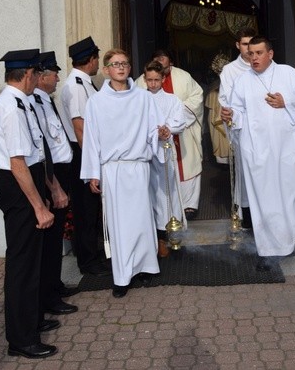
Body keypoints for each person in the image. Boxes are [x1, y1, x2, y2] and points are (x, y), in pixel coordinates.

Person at [0, 49, 62, 359]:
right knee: (22, 265)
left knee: (33, 260)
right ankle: (21, 339)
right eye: (36, 73)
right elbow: (17, 163)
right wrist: (39, 207)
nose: (39, 78)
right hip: (18, 185)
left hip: (27, 179)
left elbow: (35, 155)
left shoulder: (20, 101)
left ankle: (31, 322)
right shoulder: (12, 107)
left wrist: (52, 187)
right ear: (28, 74)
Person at [80, 49, 170, 298]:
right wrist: (93, 173)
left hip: (138, 166)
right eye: (115, 64)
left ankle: (145, 267)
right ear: (107, 69)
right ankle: (122, 276)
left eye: (125, 63)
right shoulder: (97, 102)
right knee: (119, 224)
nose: (120, 67)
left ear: (130, 69)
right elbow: (91, 141)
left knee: (142, 219)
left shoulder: (144, 98)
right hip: (113, 169)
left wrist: (160, 135)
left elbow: (155, 129)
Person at [220, 36, 295, 261]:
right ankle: (270, 247)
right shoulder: (243, 80)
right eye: (251, 53)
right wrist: (231, 115)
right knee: (264, 197)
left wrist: (287, 102)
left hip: (286, 148)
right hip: (256, 150)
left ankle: (288, 238)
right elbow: (237, 111)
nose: (253, 57)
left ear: (270, 54)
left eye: (258, 53)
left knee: (288, 192)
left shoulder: (288, 73)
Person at [29, 51, 80, 312]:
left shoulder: (46, 100)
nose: (58, 77)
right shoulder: (34, 103)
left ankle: (54, 285)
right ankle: (48, 296)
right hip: (51, 175)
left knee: (56, 235)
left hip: (59, 171)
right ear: (42, 76)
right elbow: (44, 146)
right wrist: (53, 185)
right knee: (49, 242)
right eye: (54, 73)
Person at [59, 36, 110, 277]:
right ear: (90, 60)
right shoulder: (76, 87)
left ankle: (92, 253)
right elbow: (80, 128)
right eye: (97, 58)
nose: (98, 62)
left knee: (91, 209)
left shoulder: (85, 83)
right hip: (83, 153)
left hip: (89, 151)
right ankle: (87, 261)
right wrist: (92, 164)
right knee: (86, 210)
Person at [135, 49, 204, 219]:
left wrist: (173, 123)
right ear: (145, 79)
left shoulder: (183, 77)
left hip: (179, 134)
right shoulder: (139, 90)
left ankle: (187, 205)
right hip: (149, 144)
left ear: (170, 61)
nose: (153, 83)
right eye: (156, 57)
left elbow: (196, 96)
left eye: (163, 57)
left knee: (183, 167)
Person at [142, 60, 188, 258]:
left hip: (166, 151)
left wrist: (167, 128)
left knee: (166, 194)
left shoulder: (172, 100)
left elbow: (180, 121)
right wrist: (153, 132)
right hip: (145, 153)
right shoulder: (138, 99)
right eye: (149, 80)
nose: (153, 84)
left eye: (156, 80)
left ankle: (169, 234)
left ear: (163, 79)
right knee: (148, 194)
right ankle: (153, 237)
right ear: (144, 79)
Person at [218, 27, 258, 227]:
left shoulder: (266, 67)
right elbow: (226, 100)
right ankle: (248, 217)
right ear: (237, 45)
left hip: (265, 131)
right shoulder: (230, 71)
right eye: (244, 44)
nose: (248, 49)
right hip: (243, 130)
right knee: (245, 174)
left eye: (252, 44)